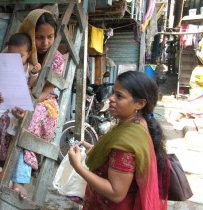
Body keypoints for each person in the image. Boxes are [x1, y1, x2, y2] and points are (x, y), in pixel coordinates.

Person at [0, 9, 65, 199]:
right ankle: (9, 169)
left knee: (26, 122)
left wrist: (27, 103)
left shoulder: (57, 59)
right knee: (5, 118)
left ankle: (19, 181)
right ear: (31, 34)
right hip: (14, 99)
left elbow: (47, 91)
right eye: (39, 37)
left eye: (50, 37)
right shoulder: (18, 50)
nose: (45, 43)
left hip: (43, 103)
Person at [68, 71, 170, 209]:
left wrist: (78, 167)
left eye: (119, 96)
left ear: (140, 104)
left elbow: (116, 193)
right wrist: (94, 148)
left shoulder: (126, 143)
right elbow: (116, 161)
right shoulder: (135, 124)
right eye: (113, 92)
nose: (111, 98)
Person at [0, 32, 42, 151]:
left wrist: (34, 73)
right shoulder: (5, 66)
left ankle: (13, 139)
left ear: (28, 54)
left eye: (20, 56)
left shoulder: (28, 67)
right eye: (12, 56)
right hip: (4, 100)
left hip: (18, 101)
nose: (16, 60)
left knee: (14, 117)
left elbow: (32, 84)